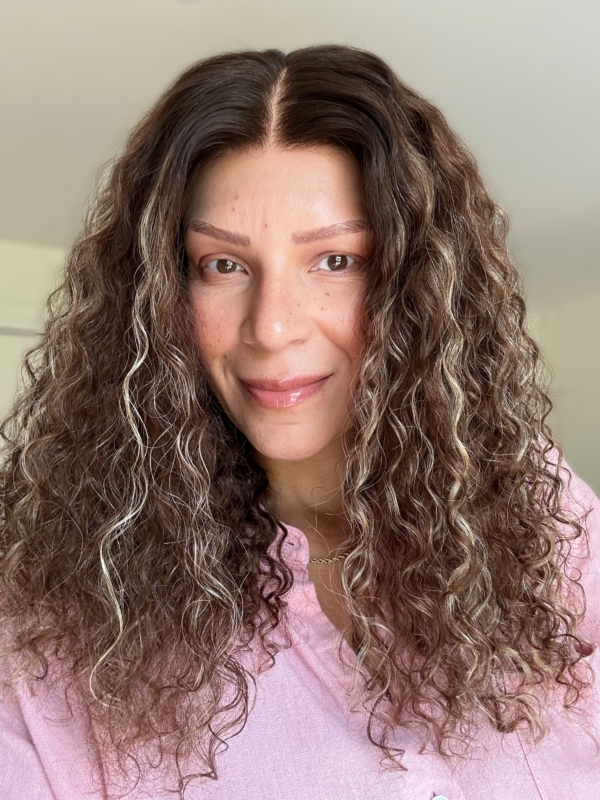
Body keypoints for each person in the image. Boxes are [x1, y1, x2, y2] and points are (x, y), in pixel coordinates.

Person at [0, 44, 598, 800]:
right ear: (159, 298)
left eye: (336, 260)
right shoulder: (51, 626)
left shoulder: (539, 510)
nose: (272, 327)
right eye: (222, 265)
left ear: (419, 287)